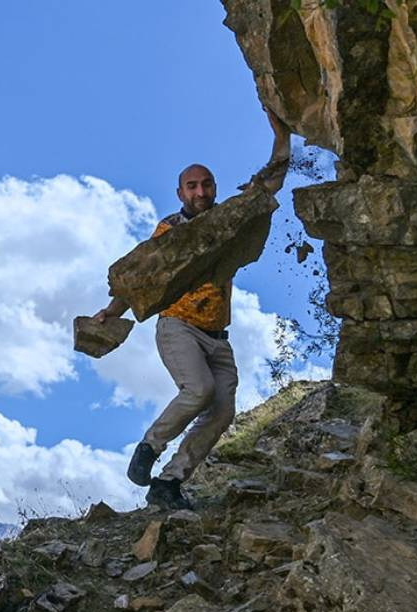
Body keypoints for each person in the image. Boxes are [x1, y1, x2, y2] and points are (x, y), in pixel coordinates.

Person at [93, 109, 291, 510]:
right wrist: (112, 312)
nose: (200, 192)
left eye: (205, 185)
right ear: (180, 193)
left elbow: (267, 186)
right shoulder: (170, 230)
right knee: (198, 390)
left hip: (218, 336)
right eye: (191, 187)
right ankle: (150, 446)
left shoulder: (225, 220)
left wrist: (281, 136)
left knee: (221, 412)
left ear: (214, 187)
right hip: (178, 326)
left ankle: (169, 483)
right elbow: (143, 278)